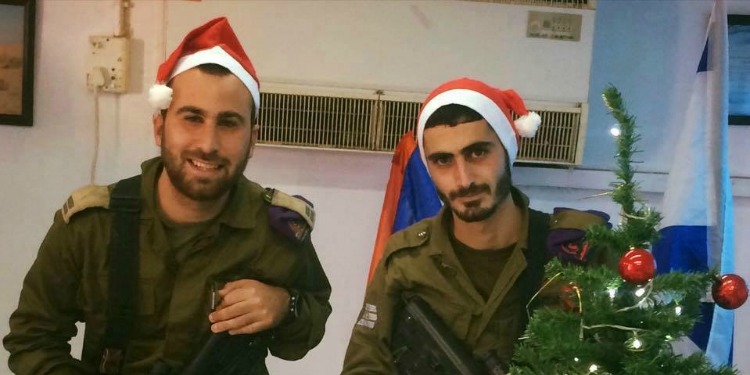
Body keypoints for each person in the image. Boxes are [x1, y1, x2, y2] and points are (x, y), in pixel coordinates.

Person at [4, 17, 331, 374]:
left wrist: (286, 306)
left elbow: (302, 337)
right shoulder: (92, 225)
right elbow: (32, 342)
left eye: (228, 123)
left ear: (252, 139)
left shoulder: (277, 230)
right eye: (192, 118)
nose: (207, 144)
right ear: (160, 127)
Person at [342, 78, 608, 373]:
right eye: (443, 160)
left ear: (506, 150)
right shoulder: (406, 259)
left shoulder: (575, 250)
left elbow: (637, 354)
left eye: (478, 153)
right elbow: (365, 364)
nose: (464, 179)